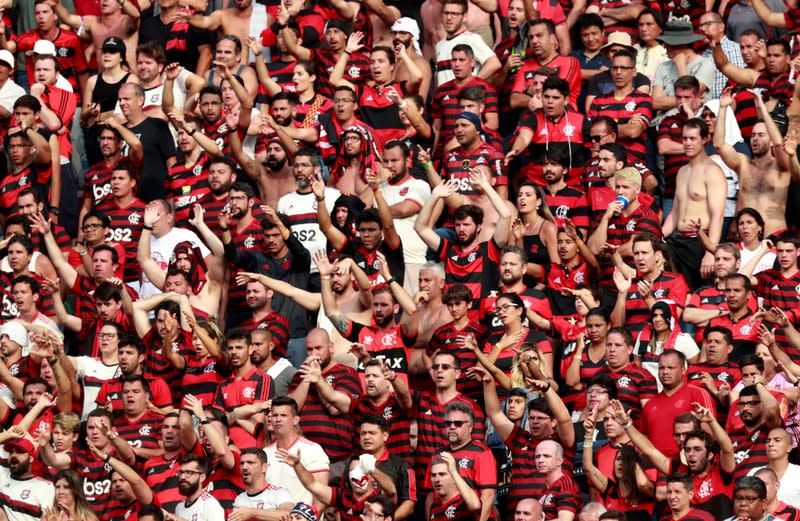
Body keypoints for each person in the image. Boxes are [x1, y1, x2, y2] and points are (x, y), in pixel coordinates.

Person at [714, 89, 799, 238]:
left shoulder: (781, 166)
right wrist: (722, 109)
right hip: (746, 239)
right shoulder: (743, 163)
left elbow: (779, 144)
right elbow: (719, 145)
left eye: (761, 135)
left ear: (771, 139)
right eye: (753, 135)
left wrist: (763, 111)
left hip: (774, 237)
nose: (755, 139)